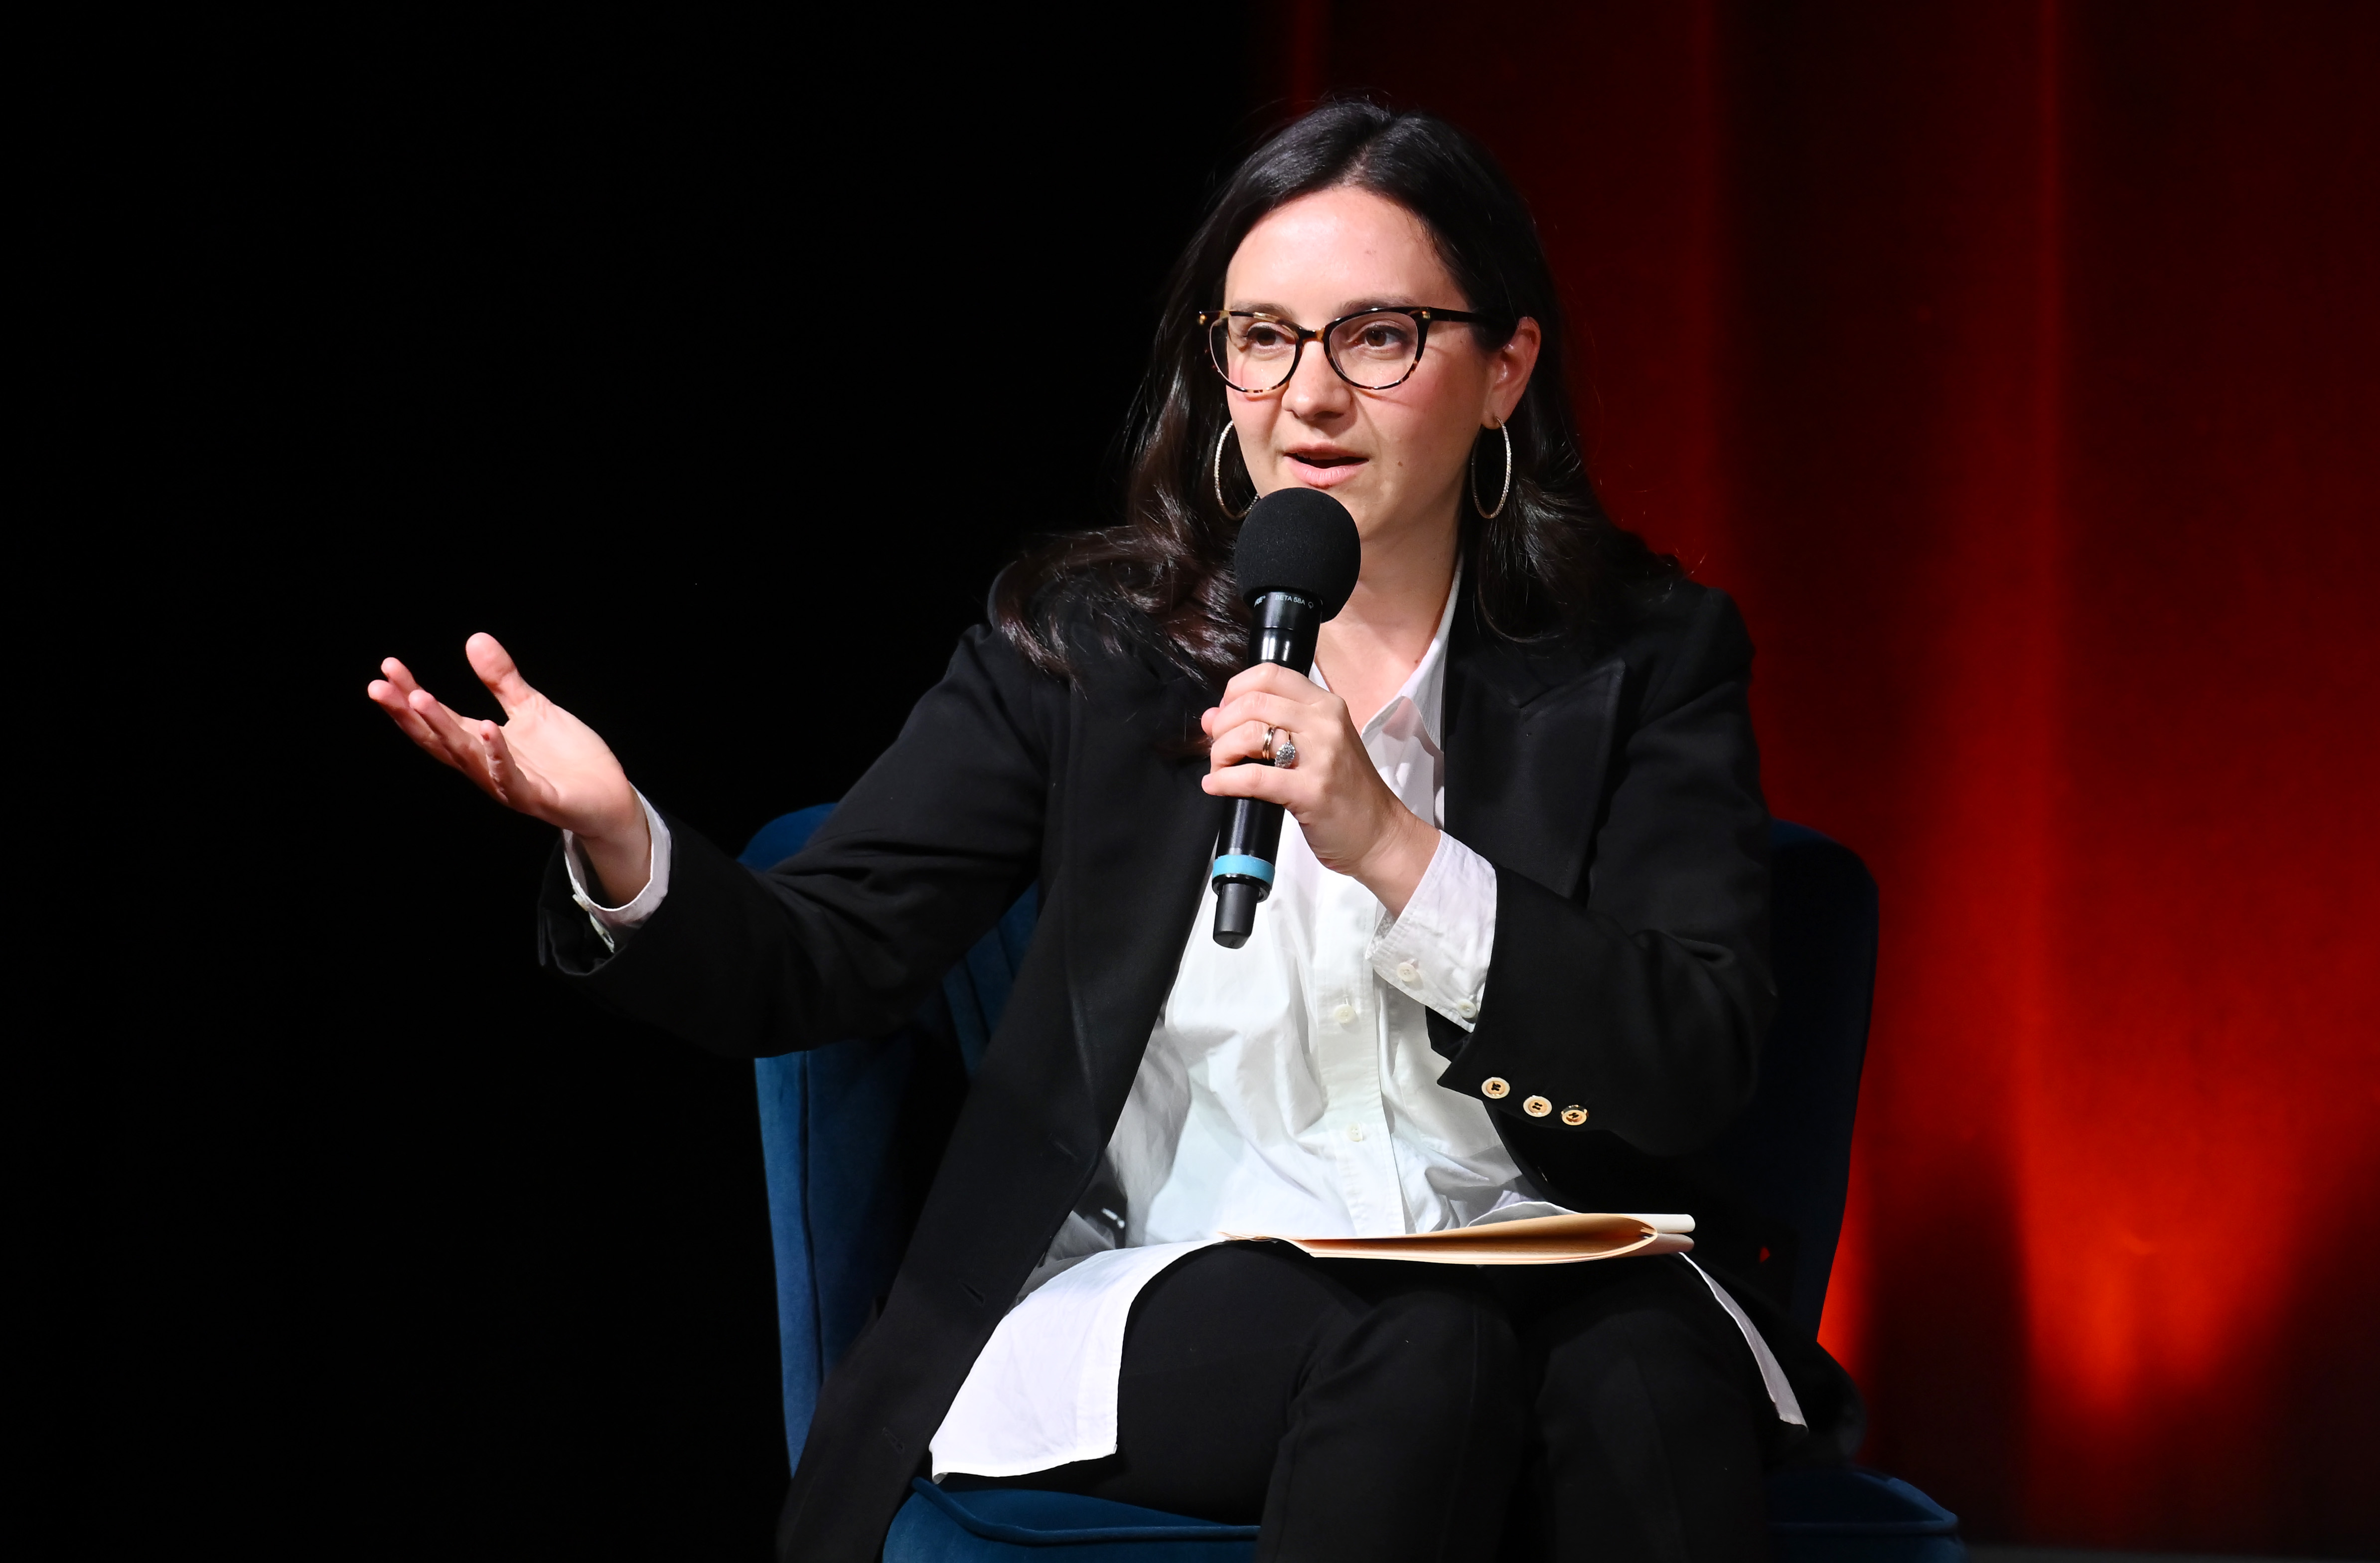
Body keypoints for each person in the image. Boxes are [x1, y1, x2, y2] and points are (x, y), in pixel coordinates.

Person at [369, 102, 1858, 1562]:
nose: (1309, 396)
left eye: (1378, 337)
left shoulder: (1644, 654)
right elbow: (818, 958)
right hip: (1189, 1280)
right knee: (1426, 1349)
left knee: (1642, 1380)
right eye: (1262, 338)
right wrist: (624, 839)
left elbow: (1695, 1052)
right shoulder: (1093, 651)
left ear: (1503, 367)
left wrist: (1392, 841)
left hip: (1564, 1260)